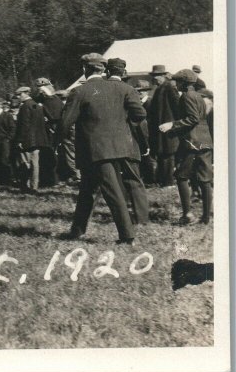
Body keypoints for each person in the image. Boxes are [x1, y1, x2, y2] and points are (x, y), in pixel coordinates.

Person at [60, 53, 146, 245]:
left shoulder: (79, 91)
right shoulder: (121, 88)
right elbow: (139, 114)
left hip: (94, 150)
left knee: (112, 192)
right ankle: (77, 230)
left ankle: (127, 236)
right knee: (87, 190)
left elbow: (66, 123)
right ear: (102, 69)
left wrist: (58, 141)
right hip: (120, 148)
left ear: (85, 69)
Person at [159, 69, 213, 225]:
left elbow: (192, 119)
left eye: (177, 82)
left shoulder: (187, 96)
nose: (176, 85)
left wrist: (172, 125)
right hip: (205, 141)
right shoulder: (198, 96)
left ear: (184, 83)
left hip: (192, 143)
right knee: (205, 179)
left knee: (181, 176)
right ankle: (205, 218)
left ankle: (187, 215)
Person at [106, 58, 150, 224]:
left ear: (107, 71)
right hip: (127, 143)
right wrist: (144, 143)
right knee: (134, 181)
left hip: (106, 144)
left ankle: (121, 217)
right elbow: (140, 116)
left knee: (113, 182)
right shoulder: (129, 90)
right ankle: (141, 218)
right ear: (123, 72)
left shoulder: (98, 89)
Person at [147, 64, 179, 187]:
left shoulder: (169, 88)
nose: (154, 78)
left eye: (157, 75)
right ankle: (163, 180)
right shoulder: (160, 89)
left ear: (163, 76)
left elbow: (177, 107)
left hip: (168, 127)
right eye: (154, 76)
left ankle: (168, 181)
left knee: (168, 153)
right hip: (161, 127)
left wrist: (173, 124)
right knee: (162, 153)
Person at [13, 86, 49, 193]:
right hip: (37, 139)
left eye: (19, 95)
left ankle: (25, 186)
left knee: (25, 163)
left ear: (25, 94)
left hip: (27, 139)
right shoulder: (36, 105)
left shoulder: (25, 107)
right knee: (35, 164)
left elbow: (24, 125)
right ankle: (34, 186)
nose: (18, 97)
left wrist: (20, 140)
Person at [34, 77, 63, 187]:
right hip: (48, 131)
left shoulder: (51, 100)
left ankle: (51, 180)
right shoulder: (47, 99)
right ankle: (49, 179)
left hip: (51, 131)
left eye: (41, 88)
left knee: (50, 155)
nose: (40, 91)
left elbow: (54, 116)